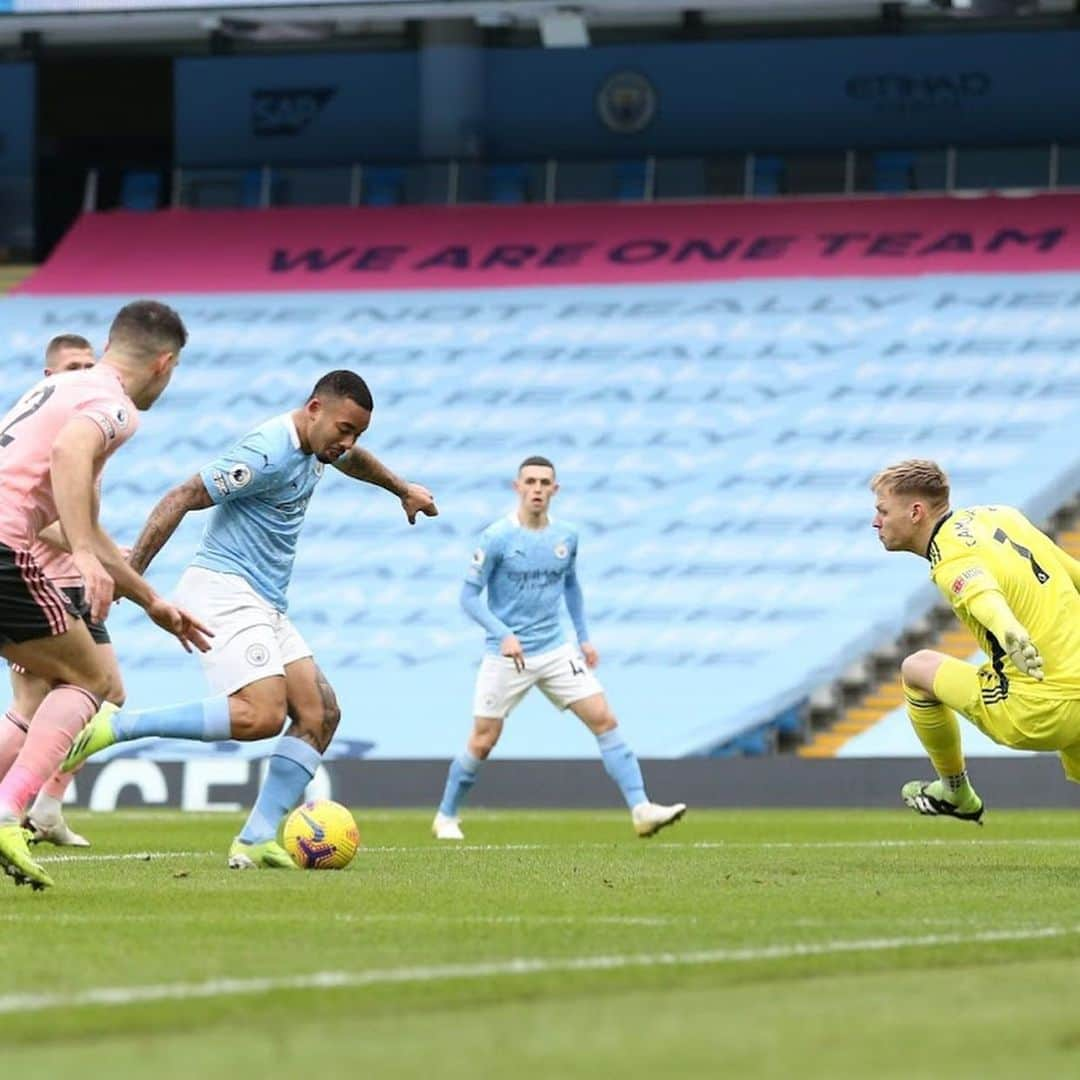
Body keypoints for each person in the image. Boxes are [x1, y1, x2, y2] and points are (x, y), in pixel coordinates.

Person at [63, 370, 438, 869]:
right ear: (314, 409)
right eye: (344, 428)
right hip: (224, 589)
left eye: (357, 433)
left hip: (264, 600)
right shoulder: (266, 453)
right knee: (261, 715)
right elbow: (180, 497)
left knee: (319, 715)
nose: (347, 442)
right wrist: (132, 581)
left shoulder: (323, 445)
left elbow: (352, 459)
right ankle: (119, 726)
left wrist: (401, 488)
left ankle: (257, 838)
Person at [0, 301, 212, 890]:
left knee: (75, 684)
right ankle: (10, 811)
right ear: (164, 364)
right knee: (91, 683)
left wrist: (151, 600)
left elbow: (86, 529)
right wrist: (87, 559)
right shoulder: (114, 404)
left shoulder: (66, 387)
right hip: (4, 546)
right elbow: (70, 455)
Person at [433, 456, 686, 841]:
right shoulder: (497, 537)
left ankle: (641, 808)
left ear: (555, 489)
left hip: (554, 649)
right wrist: (503, 633)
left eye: (544, 482)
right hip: (507, 655)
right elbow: (468, 597)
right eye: (530, 481)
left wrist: (583, 637)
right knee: (483, 739)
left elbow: (571, 586)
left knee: (604, 718)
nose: (537, 488)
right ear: (517, 487)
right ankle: (446, 816)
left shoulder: (566, 537)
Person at [871, 458, 1080, 823]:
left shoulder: (949, 555)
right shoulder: (1003, 516)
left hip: (1037, 708)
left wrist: (1008, 629)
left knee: (916, 669)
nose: (876, 522)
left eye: (883, 511)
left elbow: (980, 592)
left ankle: (955, 792)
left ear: (916, 511)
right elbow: (1073, 573)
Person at [0, 335, 123, 847]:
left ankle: (46, 804)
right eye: (74, 366)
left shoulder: (85, 421)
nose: (85, 373)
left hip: (72, 582)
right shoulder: (55, 435)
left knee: (107, 690)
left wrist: (109, 558)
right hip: (35, 578)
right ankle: (20, 805)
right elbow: (49, 524)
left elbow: (80, 521)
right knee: (35, 704)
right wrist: (98, 554)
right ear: (51, 377)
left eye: (90, 365)